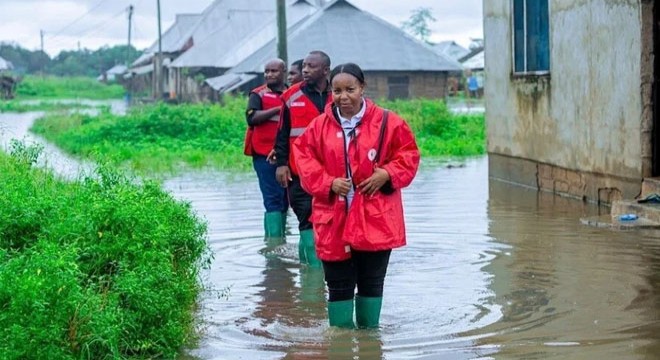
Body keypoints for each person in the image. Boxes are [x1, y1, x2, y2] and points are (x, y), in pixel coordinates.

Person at [292, 63, 420, 329]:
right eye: (337, 91)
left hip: (376, 219)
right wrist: (328, 182)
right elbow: (303, 158)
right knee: (337, 285)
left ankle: (369, 342)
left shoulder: (389, 121)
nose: (343, 96)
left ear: (362, 88)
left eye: (350, 89)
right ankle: (341, 343)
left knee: (372, 283)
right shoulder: (319, 127)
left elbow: (408, 155)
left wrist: (386, 174)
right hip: (332, 220)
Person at [273, 50, 333, 267]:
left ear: (326, 70)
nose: (305, 70)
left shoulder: (339, 95)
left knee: (328, 221)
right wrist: (281, 164)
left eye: (311, 66)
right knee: (306, 218)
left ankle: (311, 272)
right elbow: (281, 132)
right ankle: (313, 281)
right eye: (304, 66)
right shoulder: (291, 97)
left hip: (331, 173)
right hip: (299, 172)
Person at [244, 58, 289, 238]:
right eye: (267, 71)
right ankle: (273, 244)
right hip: (263, 155)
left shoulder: (291, 94)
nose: (269, 74)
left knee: (285, 200)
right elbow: (251, 118)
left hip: (286, 155)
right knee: (272, 200)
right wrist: (278, 109)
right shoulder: (258, 94)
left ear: (283, 72)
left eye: (274, 71)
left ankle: (281, 241)